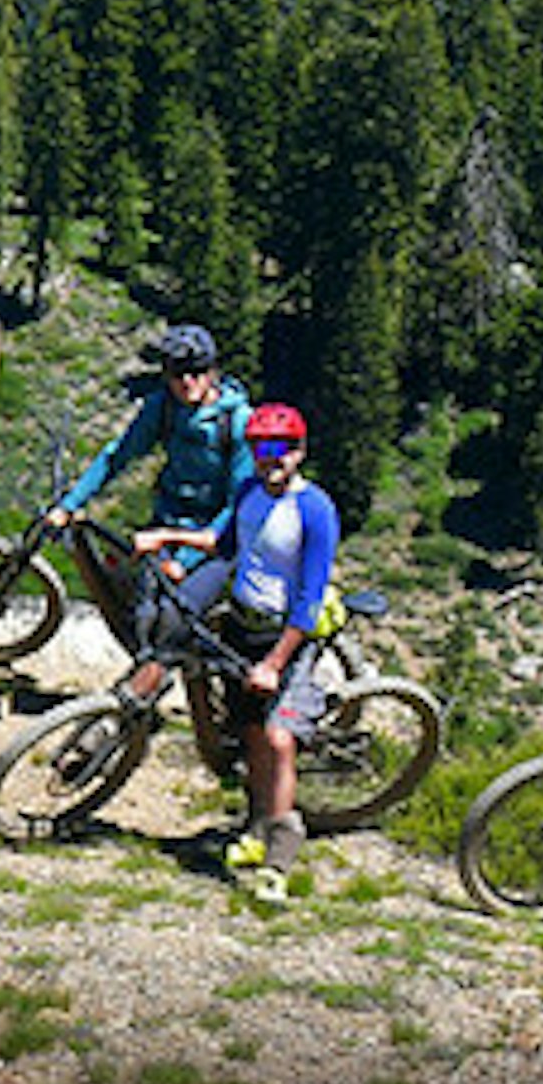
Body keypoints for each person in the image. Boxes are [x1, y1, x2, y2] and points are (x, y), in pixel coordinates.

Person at [157, 400, 339, 890]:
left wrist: (276, 662)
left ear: (299, 452)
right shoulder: (248, 492)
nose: (270, 458)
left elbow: (310, 596)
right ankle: (257, 827)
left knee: (280, 740)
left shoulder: (314, 509)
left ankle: (280, 859)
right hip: (243, 625)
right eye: (260, 448)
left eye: (280, 448)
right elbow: (222, 543)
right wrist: (166, 539)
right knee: (253, 734)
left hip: (287, 638)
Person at [56, 324, 250, 558]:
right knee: (113, 577)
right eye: (177, 373)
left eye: (196, 371)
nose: (187, 382)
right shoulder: (162, 407)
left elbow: (238, 503)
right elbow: (118, 455)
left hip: (212, 537)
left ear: (212, 372)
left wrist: (186, 561)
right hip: (165, 521)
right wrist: (69, 505)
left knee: (172, 594)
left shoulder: (238, 422)